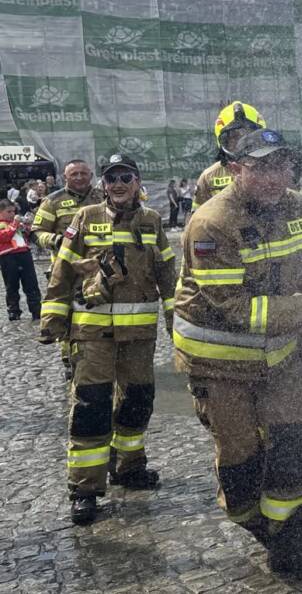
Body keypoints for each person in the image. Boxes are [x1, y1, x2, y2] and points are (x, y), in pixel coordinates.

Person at [173, 128, 302, 584]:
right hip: (219, 363)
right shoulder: (211, 224)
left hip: (277, 355)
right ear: (234, 169)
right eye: (261, 166)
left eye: (282, 165)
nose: (274, 176)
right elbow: (236, 308)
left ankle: (292, 545)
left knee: (296, 445)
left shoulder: (297, 206)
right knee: (241, 464)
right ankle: (258, 525)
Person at [37, 154, 176, 526]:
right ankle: (85, 490)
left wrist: (177, 325)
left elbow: (167, 275)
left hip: (139, 336)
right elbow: (63, 268)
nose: (118, 183)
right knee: (91, 407)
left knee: (136, 402)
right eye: (112, 177)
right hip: (92, 332)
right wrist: (52, 316)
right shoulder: (85, 217)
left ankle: (129, 469)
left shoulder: (151, 221)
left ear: (137, 181)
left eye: (125, 176)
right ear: (104, 183)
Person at [30, 160, 105, 379]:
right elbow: (37, 232)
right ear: (65, 177)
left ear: (91, 175)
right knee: (66, 316)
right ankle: (69, 361)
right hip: (65, 270)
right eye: (74, 174)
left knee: (99, 313)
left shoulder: (103, 197)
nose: (79, 177)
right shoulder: (53, 201)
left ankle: (100, 356)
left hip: (98, 269)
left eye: (83, 173)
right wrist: (56, 240)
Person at [193, 101, 266, 209]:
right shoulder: (209, 177)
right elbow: (197, 219)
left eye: (248, 135)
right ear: (224, 141)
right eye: (234, 137)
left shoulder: (274, 171)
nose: (242, 141)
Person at [0, 199, 41, 321]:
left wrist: (27, 227)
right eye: (8, 212)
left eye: (13, 211)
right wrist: (15, 224)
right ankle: (14, 312)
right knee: (11, 286)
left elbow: (28, 236)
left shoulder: (16, 223)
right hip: (8, 257)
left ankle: (36, 310)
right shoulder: (4, 224)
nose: (12, 214)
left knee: (32, 284)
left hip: (24, 255)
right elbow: (4, 237)